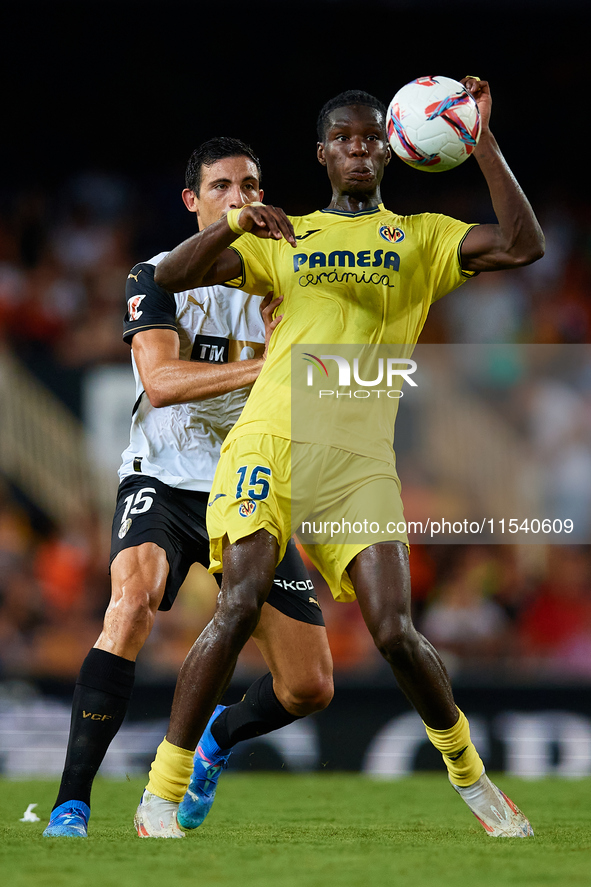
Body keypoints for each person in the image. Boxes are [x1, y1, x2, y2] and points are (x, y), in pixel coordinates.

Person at [138, 78, 544, 839]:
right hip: (272, 438)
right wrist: (231, 224)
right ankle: (161, 792)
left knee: (395, 629)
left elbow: (523, 244)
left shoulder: (422, 236)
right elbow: (169, 277)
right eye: (344, 139)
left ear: (390, 147)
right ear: (323, 153)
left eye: (370, 138)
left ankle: (474, 782)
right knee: (241, 599)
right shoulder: (283, 232)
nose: (358, 148)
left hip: (358, 459)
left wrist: (479, 138)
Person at [43, 137, 334, 839]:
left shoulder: (285, 277)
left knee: (309, 685)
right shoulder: (156, 274)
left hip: (248, 484)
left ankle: (215, 738)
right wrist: (268, 363)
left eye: (251, 185)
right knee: (131, 602)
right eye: (223, 185)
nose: (240, 196)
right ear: (193, 201)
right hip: (164, 477)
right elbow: (160, 383)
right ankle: (71, 803)